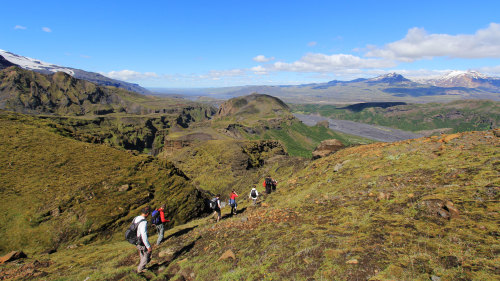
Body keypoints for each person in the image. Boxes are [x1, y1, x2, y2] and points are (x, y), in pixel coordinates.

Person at [134, 206, 152, 273]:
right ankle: (140, 268)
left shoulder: (136, 218)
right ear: (147, 214)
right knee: (147, 253)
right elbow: (143, 235)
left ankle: (142, 266)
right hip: (140, 240)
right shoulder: (143, 222)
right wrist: (148, 246)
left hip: (135, 239)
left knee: (141, 252)